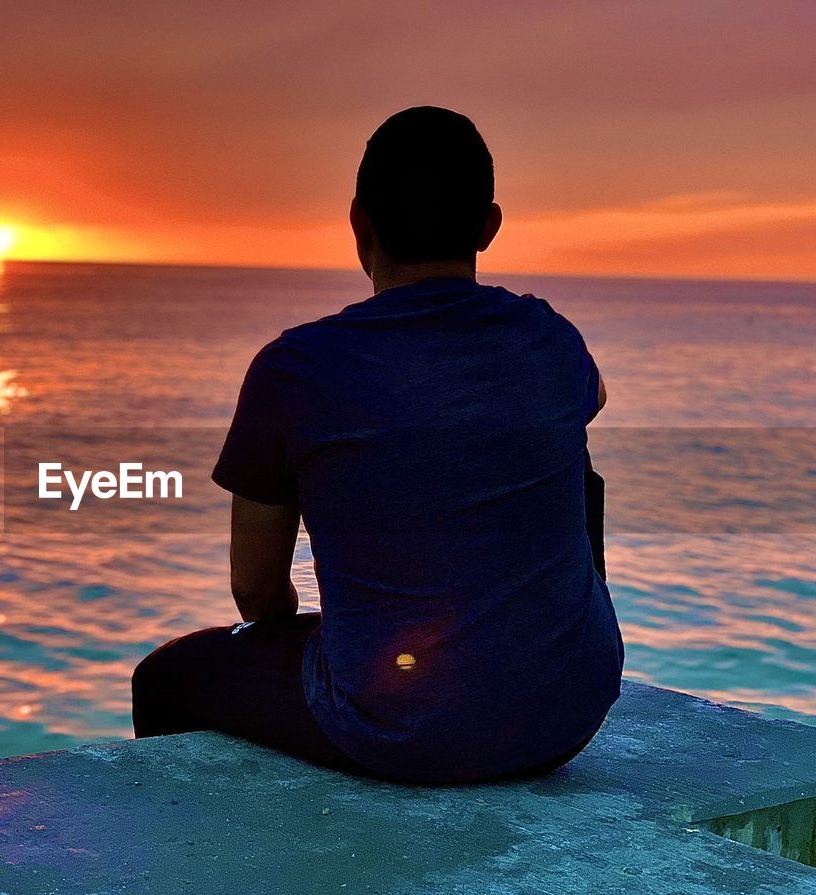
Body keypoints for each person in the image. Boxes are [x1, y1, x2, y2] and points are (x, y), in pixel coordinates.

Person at [131, 106, 624, 784]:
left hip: (406, 730)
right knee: (568, 448)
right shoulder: (550, 335)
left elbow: (256, 591)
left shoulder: (296, 371)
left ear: (359, 224)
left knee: (162, 679)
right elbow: (591, 401)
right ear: (489, 226)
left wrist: (293, 640)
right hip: (571, 711)